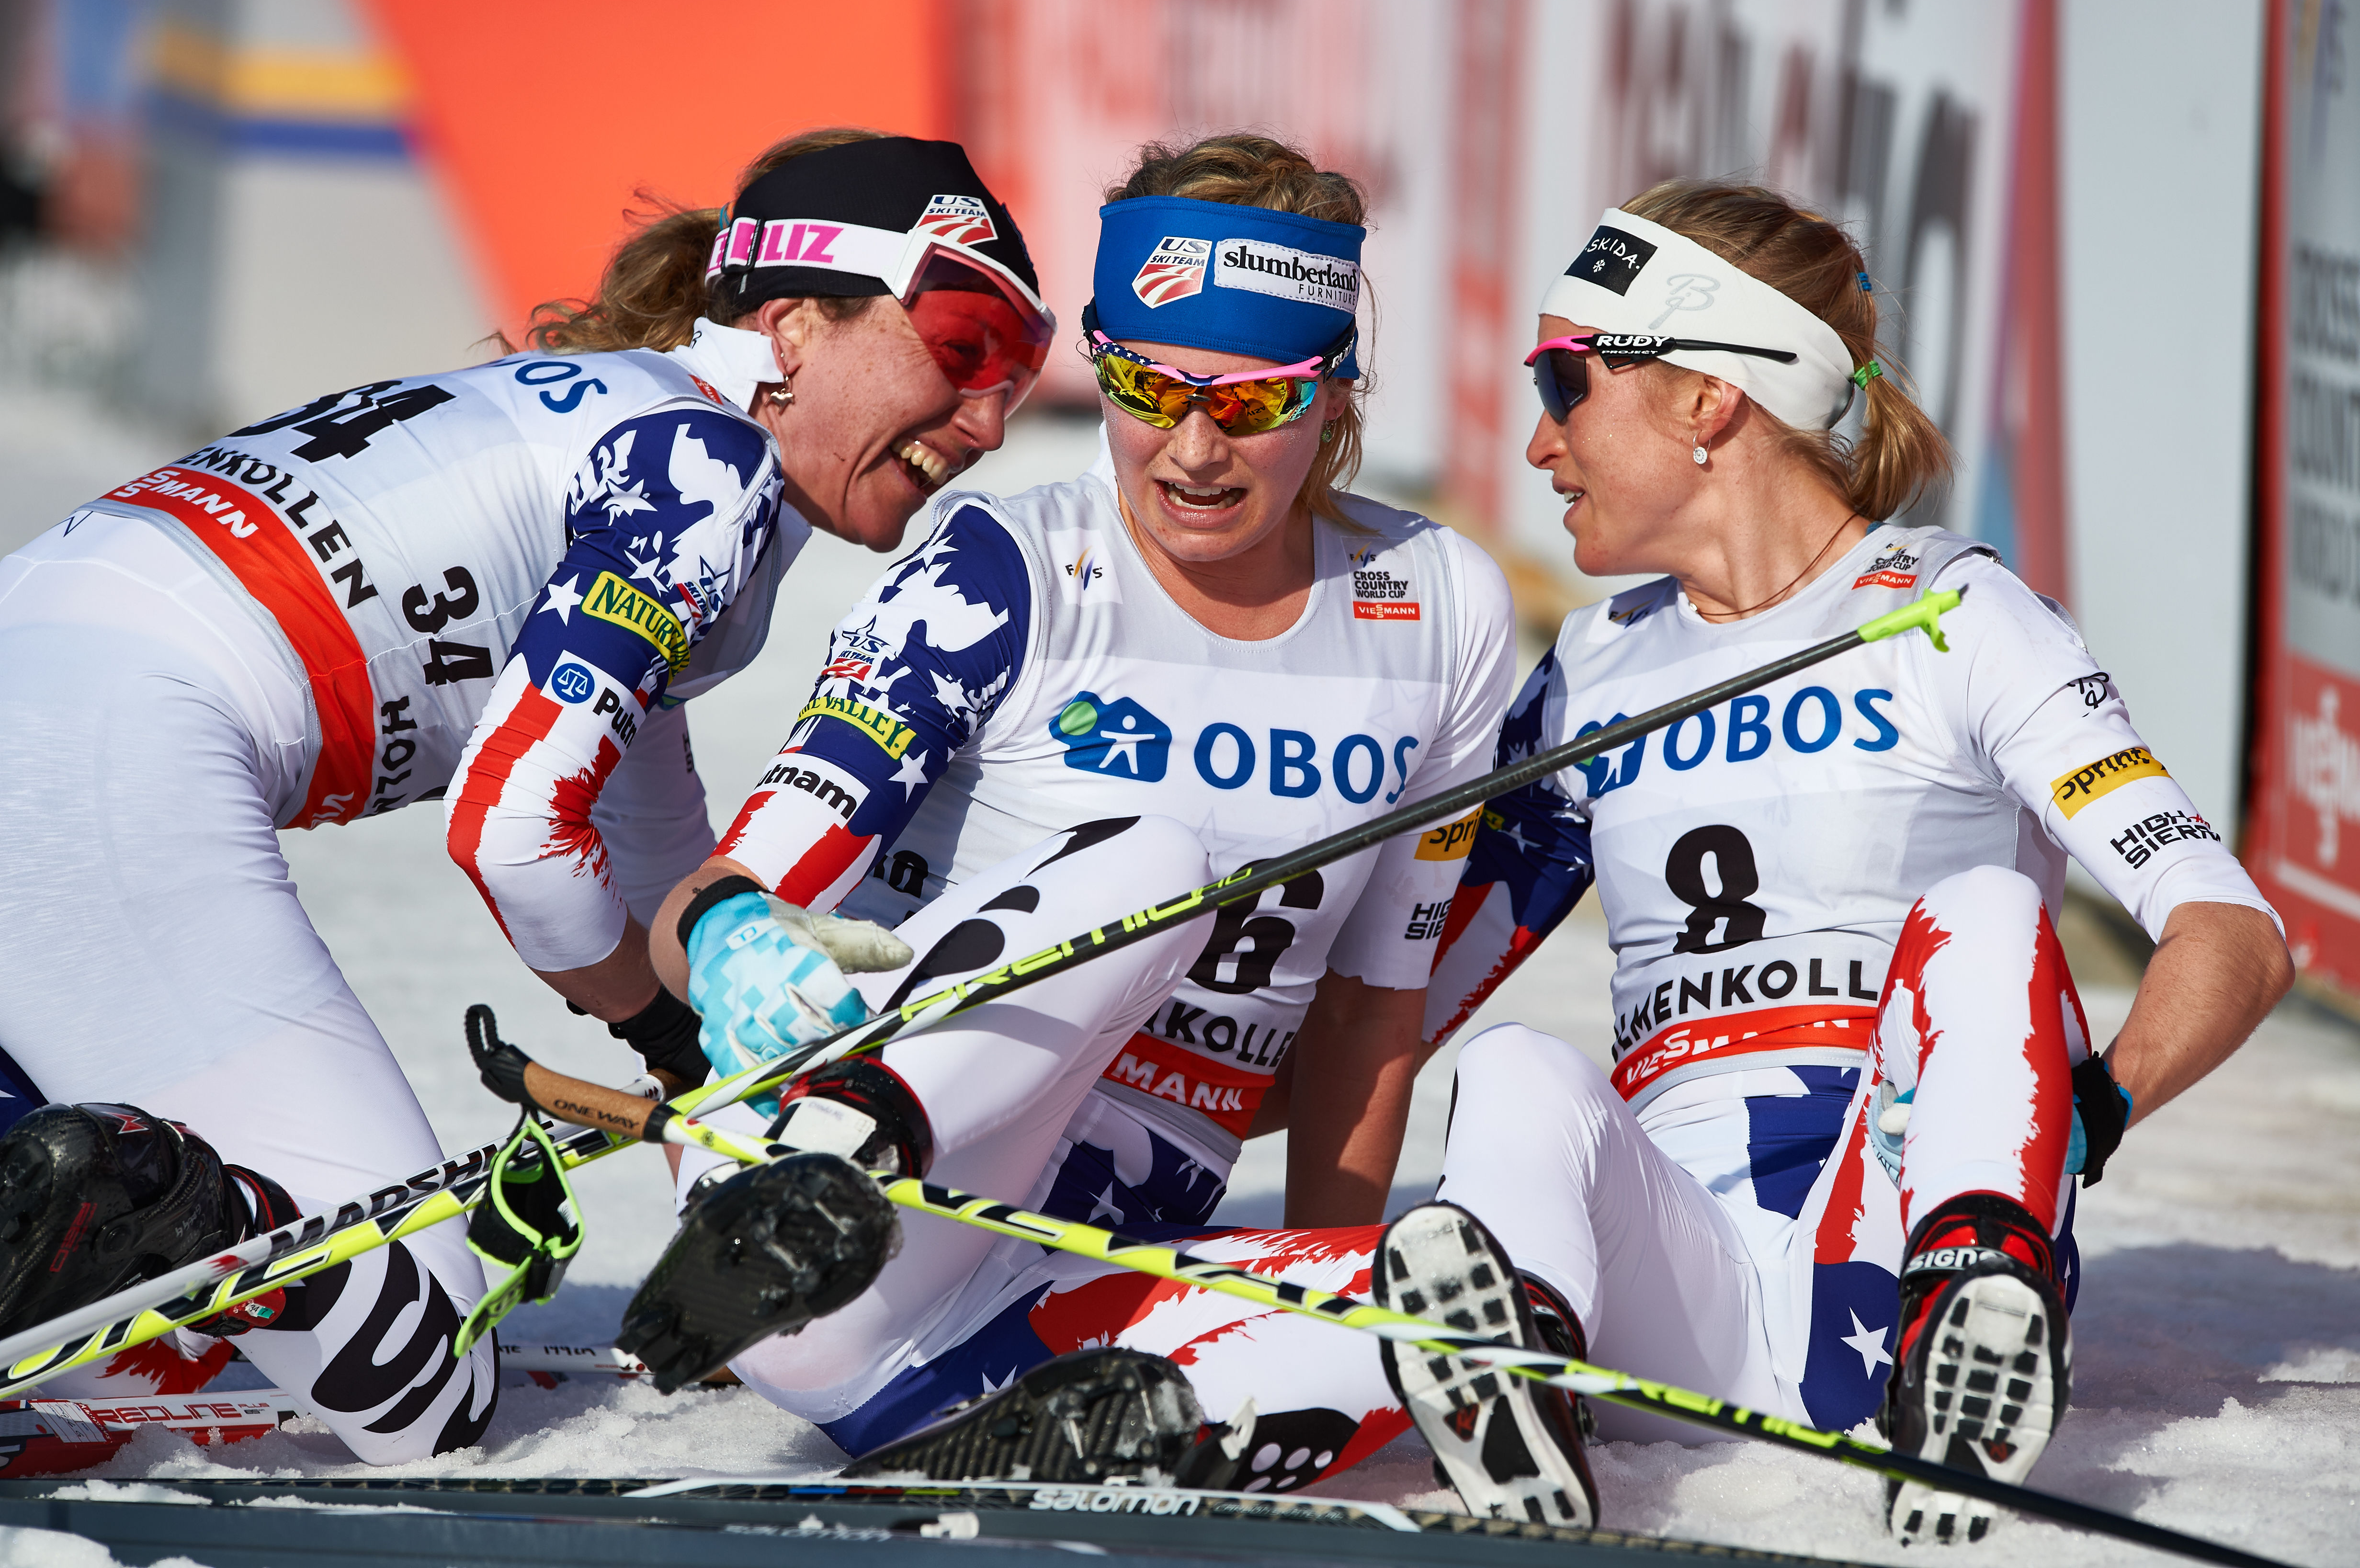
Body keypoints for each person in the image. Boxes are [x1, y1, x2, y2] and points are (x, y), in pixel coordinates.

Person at [0, 130, 1050, 1465]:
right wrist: (666, 1030)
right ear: (794, 326)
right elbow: (517, 835)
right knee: (420, 1384)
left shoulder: (623, 412)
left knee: (127, 1301)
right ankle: (128, 1198)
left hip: (53, 671)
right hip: (99, 751)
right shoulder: (704, 470)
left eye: (1020, 374)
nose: (991, 420)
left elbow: (661, 862)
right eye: (963, 348)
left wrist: (702, 1063)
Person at [621, 133, 1519, 1497]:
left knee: (1433, 1307)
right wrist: (742, 944)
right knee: (1158, 861)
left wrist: (1327, 1277)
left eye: (1258, 403)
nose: (1197, 449)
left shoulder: (1440, 603)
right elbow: (720, 896)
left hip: (1085, 1260)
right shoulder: (1014, 565)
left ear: (1337, 396)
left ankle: (1034, 1412)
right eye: (1149, 386)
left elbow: (1368, 1015)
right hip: (857, 1211)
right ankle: (823, 1176)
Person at [1411, 181, 2293, 1543]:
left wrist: (2088, 1119)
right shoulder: (1593, 668)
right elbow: (1397, 1000)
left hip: (1886, 1240)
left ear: (1709, 398)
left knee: (1989, 912)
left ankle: (1974, 1305)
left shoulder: (1958, 613)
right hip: (1674, 1297)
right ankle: (1518, 1394)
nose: (1537, 443)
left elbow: (2232, 933)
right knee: (1513, 1070)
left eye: (1565, 382)